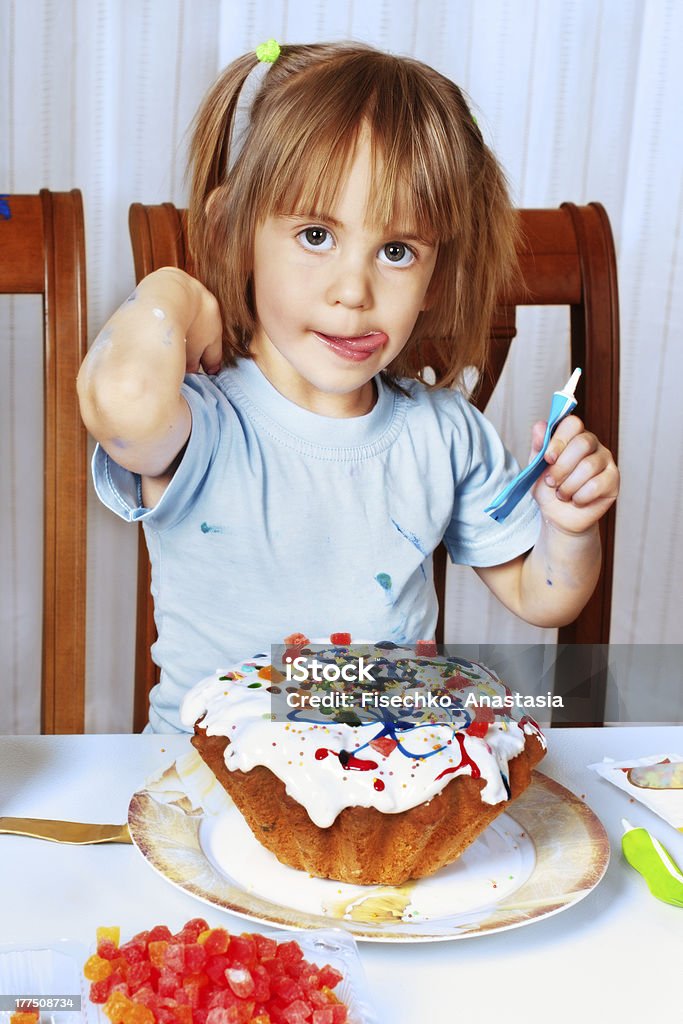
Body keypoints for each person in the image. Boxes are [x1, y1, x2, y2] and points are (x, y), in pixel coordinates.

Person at [77, 41, 619, 732]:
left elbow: (542, 597)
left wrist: (568, 529)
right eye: (314, 234)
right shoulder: (200, 419)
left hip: (389, 783)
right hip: (207, 785)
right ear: (234, 232)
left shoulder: (442, 432)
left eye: (396, 252)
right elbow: (116, 399)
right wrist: (174, 288)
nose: (354, 292)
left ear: (434, 277)